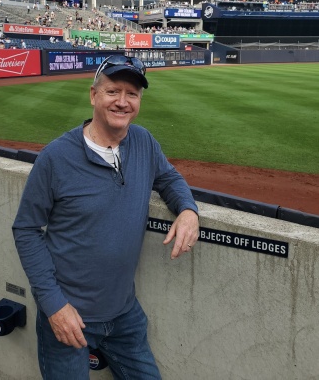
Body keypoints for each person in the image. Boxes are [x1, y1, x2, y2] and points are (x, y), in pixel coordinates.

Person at [12, 55, 199, 379]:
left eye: (132, 94)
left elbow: (169, 178)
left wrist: (187, 210)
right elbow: (26, 229)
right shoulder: (56, 157)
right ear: (93, 95)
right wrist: (53, 305)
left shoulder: (144, 142)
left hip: (124, 313)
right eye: (113, 91)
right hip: (69, 315)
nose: (122, 102)